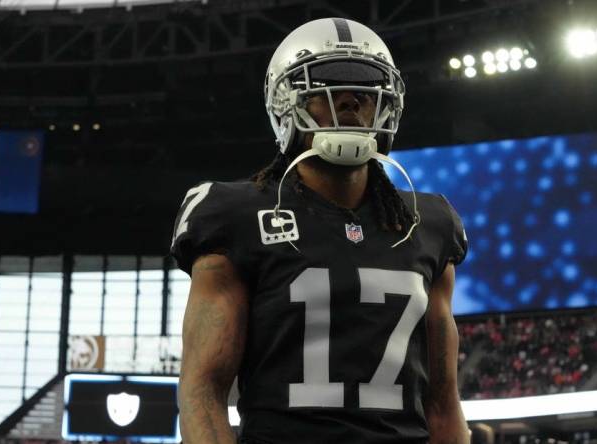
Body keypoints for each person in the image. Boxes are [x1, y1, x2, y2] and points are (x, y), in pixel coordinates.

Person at [172, 17, 469, 444]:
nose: (349, 99)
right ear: (285, 102)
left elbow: (443, 401)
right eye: (327, 83)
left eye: (366, 88)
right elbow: (203, 388)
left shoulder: (428, 223)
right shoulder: (236, 215)